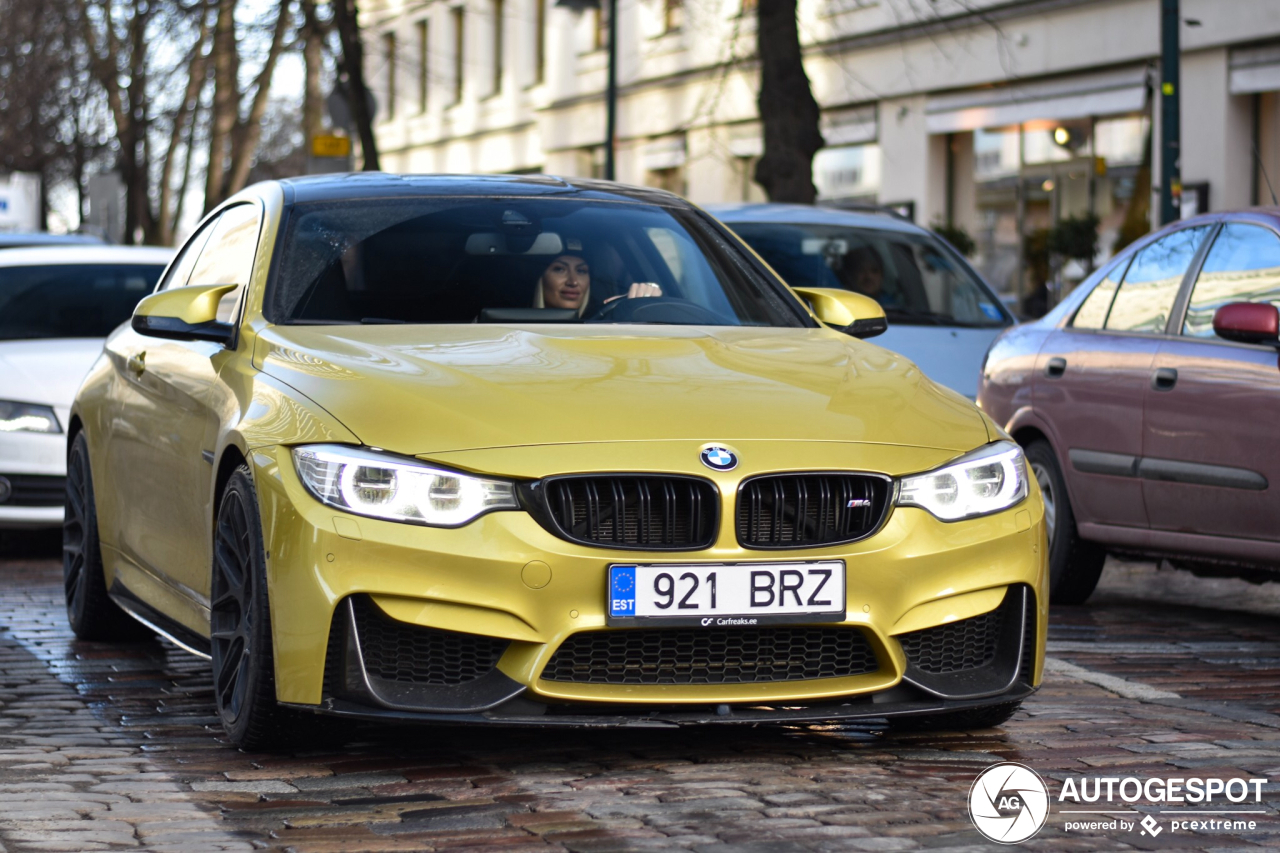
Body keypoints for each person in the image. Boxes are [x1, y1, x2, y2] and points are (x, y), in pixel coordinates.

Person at [534, 251, 662, 316]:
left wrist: (647, 294)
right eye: (560, 269)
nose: (573, 282)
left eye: (581, 271)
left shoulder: (607, 324)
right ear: (541, 278)